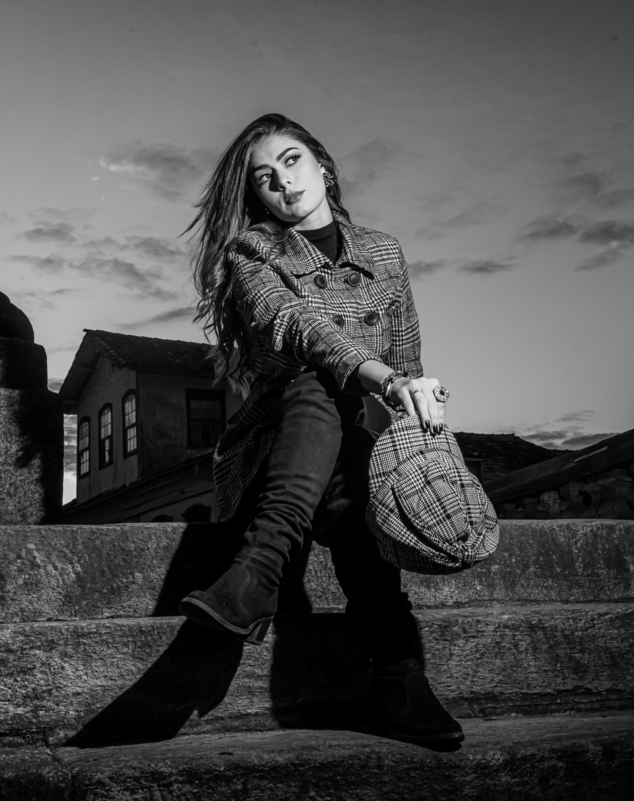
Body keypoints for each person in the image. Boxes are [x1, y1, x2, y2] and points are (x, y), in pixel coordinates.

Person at [180, 113, 461, 746]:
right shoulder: (254, 251)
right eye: (264, 177)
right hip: (279, 452)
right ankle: (399, 677)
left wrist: (411, 401)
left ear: (323, 166)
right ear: (258, 197)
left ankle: (257, 577)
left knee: (352, 491)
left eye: (292, 161)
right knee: (315, 379)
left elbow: (407, 362)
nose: (282, 182)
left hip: (357, 451)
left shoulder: (384, 253)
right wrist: (383, 379)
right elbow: (296, 327)